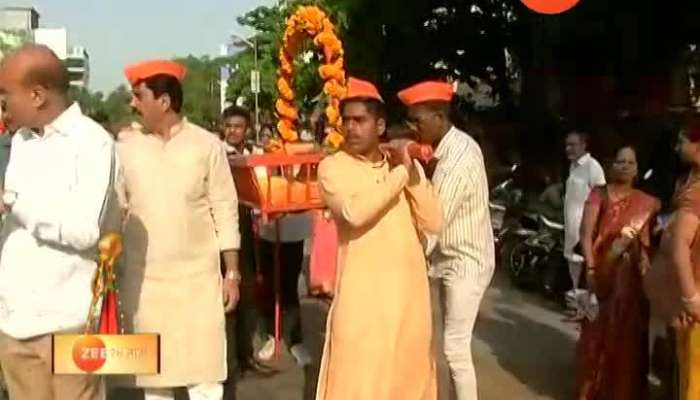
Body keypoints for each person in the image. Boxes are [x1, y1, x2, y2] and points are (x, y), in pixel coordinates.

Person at [115, 60, 241, 400]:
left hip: (198, 283)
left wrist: (232, 274)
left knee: (205, 379)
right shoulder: (124, 149)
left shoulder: (206, 146)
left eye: (139, 96)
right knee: (155, 383)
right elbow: (115, 210)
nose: (133, 104)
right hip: (144, 284)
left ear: (165, 102)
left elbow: (225, 211)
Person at [315, 77, 442, 400]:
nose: (351, 128)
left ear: (381, 125)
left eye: (360, 120)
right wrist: (401, 174)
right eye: (347, 120)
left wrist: (411, 173)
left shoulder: (401, 168)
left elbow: (434, 222)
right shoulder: (333, 168)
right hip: (362, 305)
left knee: (409, 384)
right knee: (357, 386)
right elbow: (356, 212)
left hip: (408, 303)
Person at [0, 45, 115, 400]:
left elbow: (84, 231)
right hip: (14, 321)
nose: (3, 107)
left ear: (37, 95)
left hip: (68, 324)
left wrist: (12, 202)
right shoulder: (20, 140)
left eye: (6, 97)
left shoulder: (92, 142)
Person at [398, 80, 495, 400]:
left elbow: (435, 219)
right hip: (448, 259)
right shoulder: (445, 149)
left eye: (418, 120)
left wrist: (406, 259)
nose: (413, 128)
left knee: (455, 349)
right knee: (450, 345)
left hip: (466, 261)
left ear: (439, 116)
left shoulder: (461, 156)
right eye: (410, 120)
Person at [575, 145, 660, 399]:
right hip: (601, 273)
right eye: (620, 161)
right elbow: (586, 235)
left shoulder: (647, 204)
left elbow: (646, 245)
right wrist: (591, 267)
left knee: (626, 338)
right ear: (611, 165)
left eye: (630, 162)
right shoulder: (598, 195)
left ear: (637, 169)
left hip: (631, 282)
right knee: (596, 335)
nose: (624, 166)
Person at [654, 115, 700, 399]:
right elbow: (678, 246)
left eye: (684, 139)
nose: (679, 146)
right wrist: (690, 298)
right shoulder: (693, 191)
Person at [564, 130, 606, 292]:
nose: (569, 149)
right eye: (567, 145)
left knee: (585, 269)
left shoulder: (593, 167)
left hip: (585, 230)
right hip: (571, 228)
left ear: (583, 145)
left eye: (573, 145)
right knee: (573, 267)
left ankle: (586, 309)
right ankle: (577, 306)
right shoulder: (573, 166)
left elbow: (601, 196)